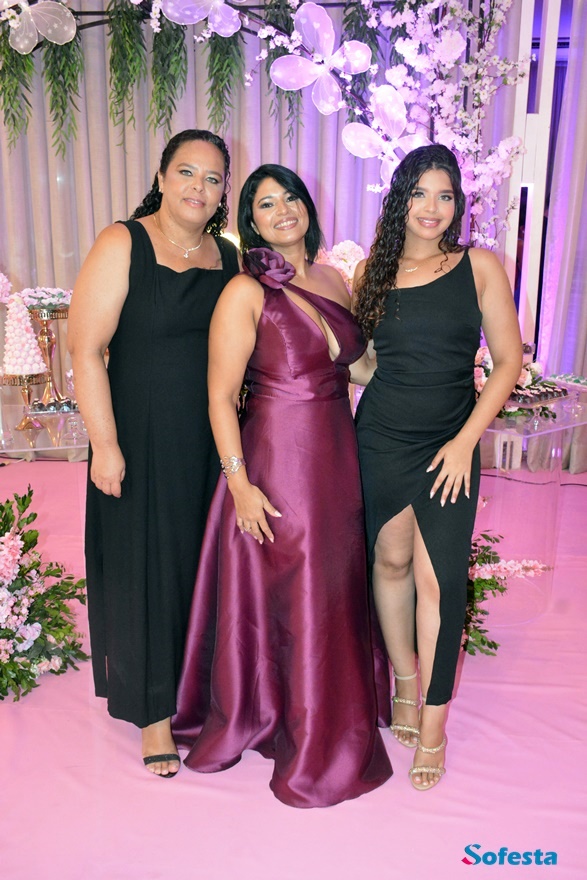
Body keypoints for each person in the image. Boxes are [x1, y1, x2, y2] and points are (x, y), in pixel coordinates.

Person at [172, 164, 393, 808]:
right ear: (252, 222)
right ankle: (297, 724)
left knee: (334, 580)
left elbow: (358, 368)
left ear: (307, 208)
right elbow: (219, 397)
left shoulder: (334, 279)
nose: (283, 210)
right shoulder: (244, 292)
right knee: (295, 585)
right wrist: (239, 484)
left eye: (290, 197)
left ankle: (335, 712)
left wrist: (429, 368)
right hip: (276, 457)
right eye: (266, 204)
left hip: (336, 455)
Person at [67, 130, 240, 778]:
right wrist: (105, 446)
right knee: (146, 571)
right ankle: (154, 716)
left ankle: (201, 695)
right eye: (186, 172)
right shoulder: (123, 242)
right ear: (162, 177)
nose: (199, 187)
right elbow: (85, 349)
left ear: (223, 192)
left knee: (201, 568)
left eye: (213, 178)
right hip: (137, 437)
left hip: (210, 440)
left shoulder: (229, 256)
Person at [353, 144, 522, 791]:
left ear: (458, 204)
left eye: (445, 195)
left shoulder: (478, 267)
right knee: (390, 562)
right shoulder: (372, 270)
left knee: (441, 582)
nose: (432, 207)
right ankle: (403, 680)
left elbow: (506, 361)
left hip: (451, 441)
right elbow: (365, 365)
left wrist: (463, 441)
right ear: (400, 199)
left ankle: (433, 724)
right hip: (381, 437)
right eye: (420, 193)